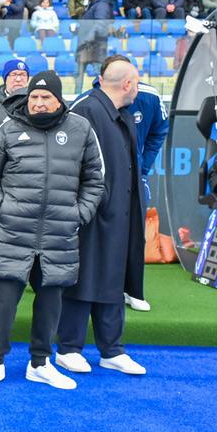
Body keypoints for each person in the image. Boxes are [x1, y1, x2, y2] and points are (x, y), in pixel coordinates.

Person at [0, 71, 105, 391]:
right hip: (13, 232)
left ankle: (40, 363)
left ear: (59, 99)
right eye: (34, 97)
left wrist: (79, 214)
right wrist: (2, 209)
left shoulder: (80, 130)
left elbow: (95, 179)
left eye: (45, 97)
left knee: (50, 304)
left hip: (58, 235)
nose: (38, 103)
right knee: (2, 302)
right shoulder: (8, 128)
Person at [57, 57, 148, 377]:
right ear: (127, 84)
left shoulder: (121, 114)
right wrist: (85, 208)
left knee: (112, 278)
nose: (138, 87)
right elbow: (68, 164)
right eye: (136, 82)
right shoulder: (87, 109)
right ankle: (69, 348)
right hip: (90, 216)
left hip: (118, 215)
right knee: (83, 278)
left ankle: (112, 349)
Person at [75, 0, 111, 93]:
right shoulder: (92, 5)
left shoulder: (101, 5)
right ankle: (76, 97)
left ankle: (102, 98)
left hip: (95, 45)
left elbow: (100, 24)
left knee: (98, 75)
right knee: (79, 74)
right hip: (86, 45)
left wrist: (87, 39)